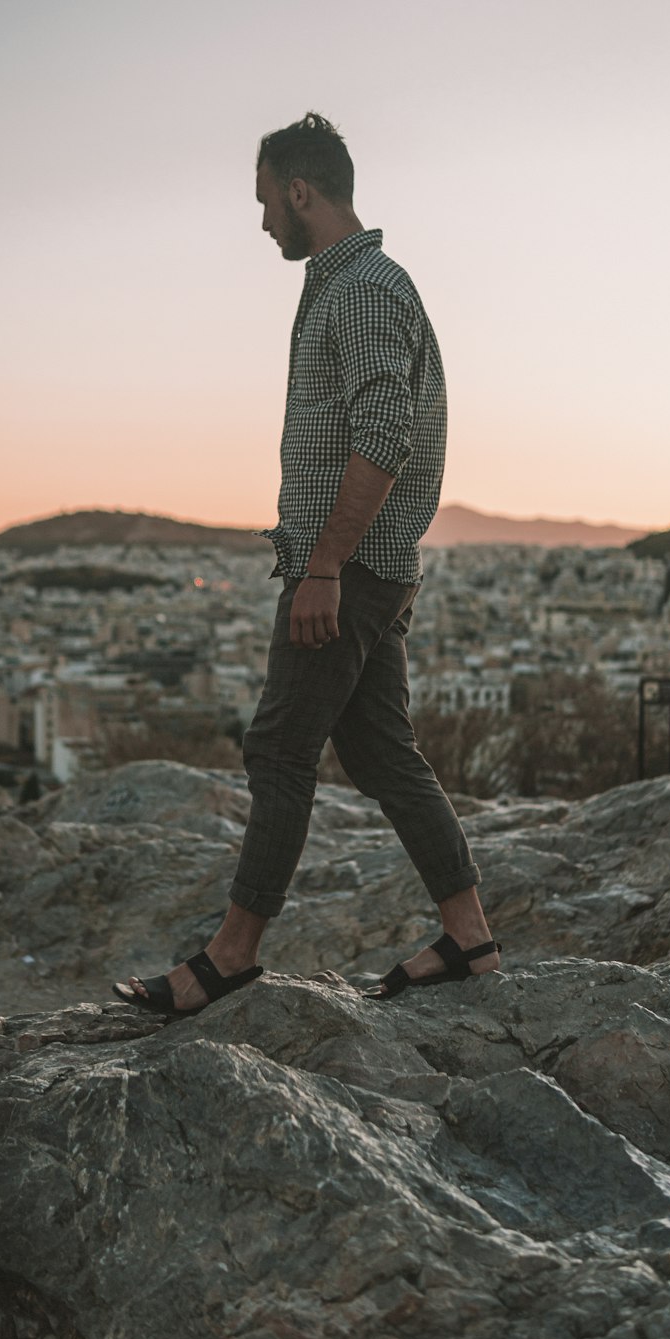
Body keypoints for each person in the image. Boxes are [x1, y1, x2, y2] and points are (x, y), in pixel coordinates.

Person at [113, 112, 500, 1016]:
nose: (261, 226)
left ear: (299, 191)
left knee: (279, 747)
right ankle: (470, 935)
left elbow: (383, 435)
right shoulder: (349, 282)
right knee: (380, 752)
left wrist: (324, 566)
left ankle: (230, 957)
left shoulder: (361, 288)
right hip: (367, 559)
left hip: (348, 563)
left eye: (264, 203)